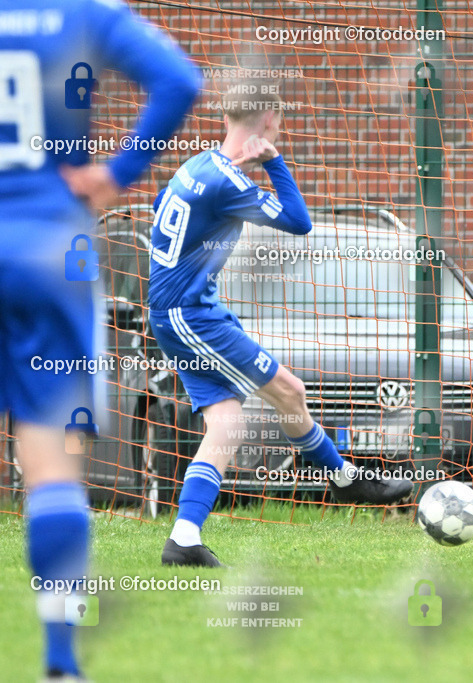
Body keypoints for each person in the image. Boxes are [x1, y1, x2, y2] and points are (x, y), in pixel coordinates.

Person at [0, 1, 201, 679]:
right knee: (53, 463)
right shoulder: (80, 13)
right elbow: (179, 81)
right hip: (50, 246)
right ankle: (60, 660)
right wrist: (117, 174)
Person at [149, 87, 412, 568]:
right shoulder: (227, 181)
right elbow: (299, 221)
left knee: (228, 423)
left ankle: (184, 539)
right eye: (280, 121)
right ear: (267, 119)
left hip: (190, 311)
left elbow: (160, 208)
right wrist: (274, 162)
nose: (281, 127)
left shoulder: (198, 165)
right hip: (190, 316)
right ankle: (344, 480)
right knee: (289, 390)